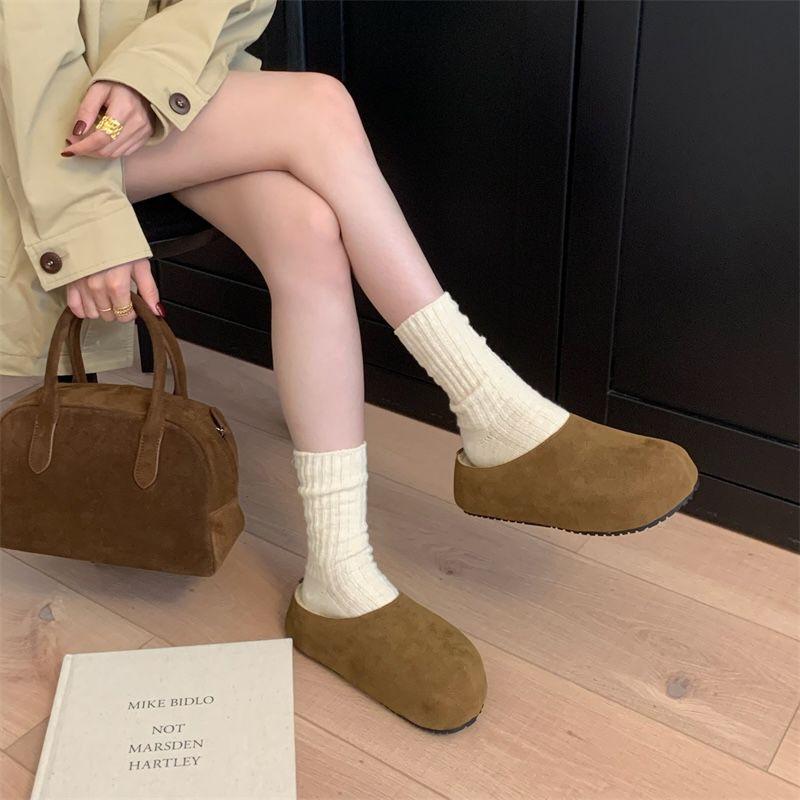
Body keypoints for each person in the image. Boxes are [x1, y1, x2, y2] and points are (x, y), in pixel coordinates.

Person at [0, 0, 697, 733]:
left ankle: (338, 579)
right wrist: (81, 222)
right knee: (319, 107)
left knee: (307, 229)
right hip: (39, 133)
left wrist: (149, 79)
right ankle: (492, 409)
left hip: (149, 102)